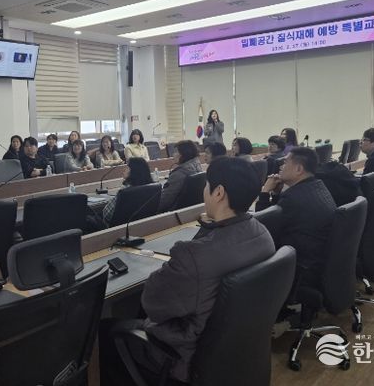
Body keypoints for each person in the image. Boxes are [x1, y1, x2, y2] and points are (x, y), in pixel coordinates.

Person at [99, 157, 275, 385]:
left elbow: (152, 303)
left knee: (105, 330)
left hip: (184, 360)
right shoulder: (263, 234)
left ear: (219, 192)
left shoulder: (194, 256)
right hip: (235, 354)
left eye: (207, 184)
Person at [256, 146, 335, 290]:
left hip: (301, 267)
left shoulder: (293, 198)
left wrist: (265, 192)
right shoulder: (317, 185)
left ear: (299, 169)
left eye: (285, 162)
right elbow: (280, 215)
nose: (281, 166)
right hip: (317, 259)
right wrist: (277, 194)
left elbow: (262, 231)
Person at [102, 157, 153, 226]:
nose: (124, 170)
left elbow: (107, 214)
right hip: (144, 225)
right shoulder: (152, 187)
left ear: (133, 171)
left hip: (118, 228)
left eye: (127, 167)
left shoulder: (125, 190)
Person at [158, 140, 203, 212]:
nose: (173, 154)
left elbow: (163, 202)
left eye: (176, 152)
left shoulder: (178, 174)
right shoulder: (197, 166)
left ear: (183, 154)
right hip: (192, 210)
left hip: (173, 213)